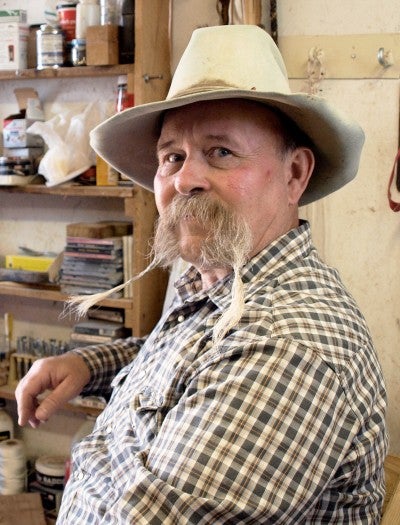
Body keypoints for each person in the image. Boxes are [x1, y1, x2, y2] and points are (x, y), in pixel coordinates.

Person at [16, 25, 387, 524]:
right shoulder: (225, 280)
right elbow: (191, 350)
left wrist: (96, 448)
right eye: (172, 157)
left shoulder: (289, 348)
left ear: (295, 174)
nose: (184, 180)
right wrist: (94, 364)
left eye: (221, 152)